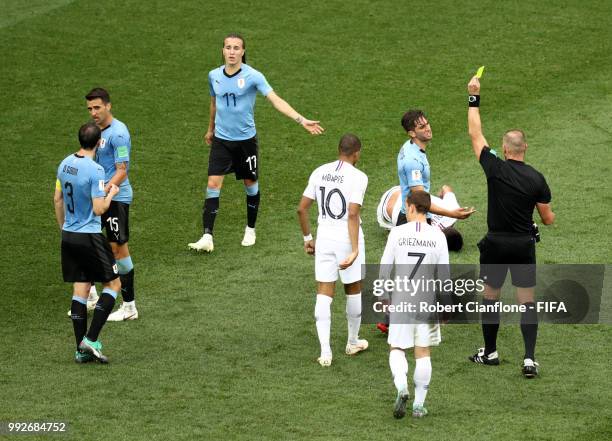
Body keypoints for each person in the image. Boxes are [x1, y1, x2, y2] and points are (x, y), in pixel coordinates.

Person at [189, 33, 324, 253]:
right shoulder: (213, 75)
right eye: (228, 47)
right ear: (223, 50)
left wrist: (301, 120)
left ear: (243, 52)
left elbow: (275, 100)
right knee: (213, 185)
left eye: (236, 48)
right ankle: (207, 235)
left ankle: (250, 229)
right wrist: (210, 129)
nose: (232, 52)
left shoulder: (253, 76)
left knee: (250, 185)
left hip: (245, 142)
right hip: (222, 140)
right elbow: (214, 103)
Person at [466, 75, 555, 378]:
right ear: (524, 148)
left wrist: (473, 97)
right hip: (522, 244)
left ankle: (489, 352)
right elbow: (548, 218)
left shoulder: (495, 167)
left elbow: (475, 134)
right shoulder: (537, 179)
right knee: (526, 301)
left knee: (490, 297)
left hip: (495, 244)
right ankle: (529, 359)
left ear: (504, 148)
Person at [297, 134, 368, 367]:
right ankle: (352, 341)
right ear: (356, 153)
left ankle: (325, 352)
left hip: (324, 239)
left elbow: (302, 209)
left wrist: (308, 238)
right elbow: (353, 213)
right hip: (347, 239)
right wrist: (355, 248)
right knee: (353, 287)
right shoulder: (359, 177)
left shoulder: (319, 172)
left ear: (339, 150)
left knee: (324, 293)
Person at [54, 122, 121, 363]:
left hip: (69, 236)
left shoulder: (64, 164)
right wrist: (111, 193)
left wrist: (63, 229)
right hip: (89, 236)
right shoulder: (95, 170)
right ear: (99, 143)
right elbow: (98, 208)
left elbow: (58, 199)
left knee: (81, 289)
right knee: (113, 285)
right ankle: (90, 340)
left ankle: (80, 351)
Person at [379, 190, 449, 419]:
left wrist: (383, 298)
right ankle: (419, 406)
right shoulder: (438, 236)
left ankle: (401, 386)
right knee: (423, 352)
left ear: (410, 207)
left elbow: (384, 268)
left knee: (397, 347)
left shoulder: (397, 233)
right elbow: (444, 276)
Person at [83, 88, 138, 322]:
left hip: (116, 198)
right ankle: (91, 294)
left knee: (118, 249)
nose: (93, 113)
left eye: (97, 108)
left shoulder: (119, 134)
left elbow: (122, 171)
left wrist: (103, 190)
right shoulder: (94, 131)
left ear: (108, 106)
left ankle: (129, 306)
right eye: (90, 109)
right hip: (97, 195)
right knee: (87, 241)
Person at [396, 109, 475, 226]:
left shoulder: (410, 146)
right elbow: (420, 201)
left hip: (415, 215)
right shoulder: (413, 162)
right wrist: (453, 214)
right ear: (412, 133)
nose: (428, 128)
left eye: (427, 124)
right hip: (415, 221)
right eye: (422, 127)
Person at [376, 184, 464, 251]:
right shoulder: (423, 238)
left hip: (403, 188)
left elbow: (446, 188)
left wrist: (439, 197)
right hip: (384, 210)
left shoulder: (453, 211)